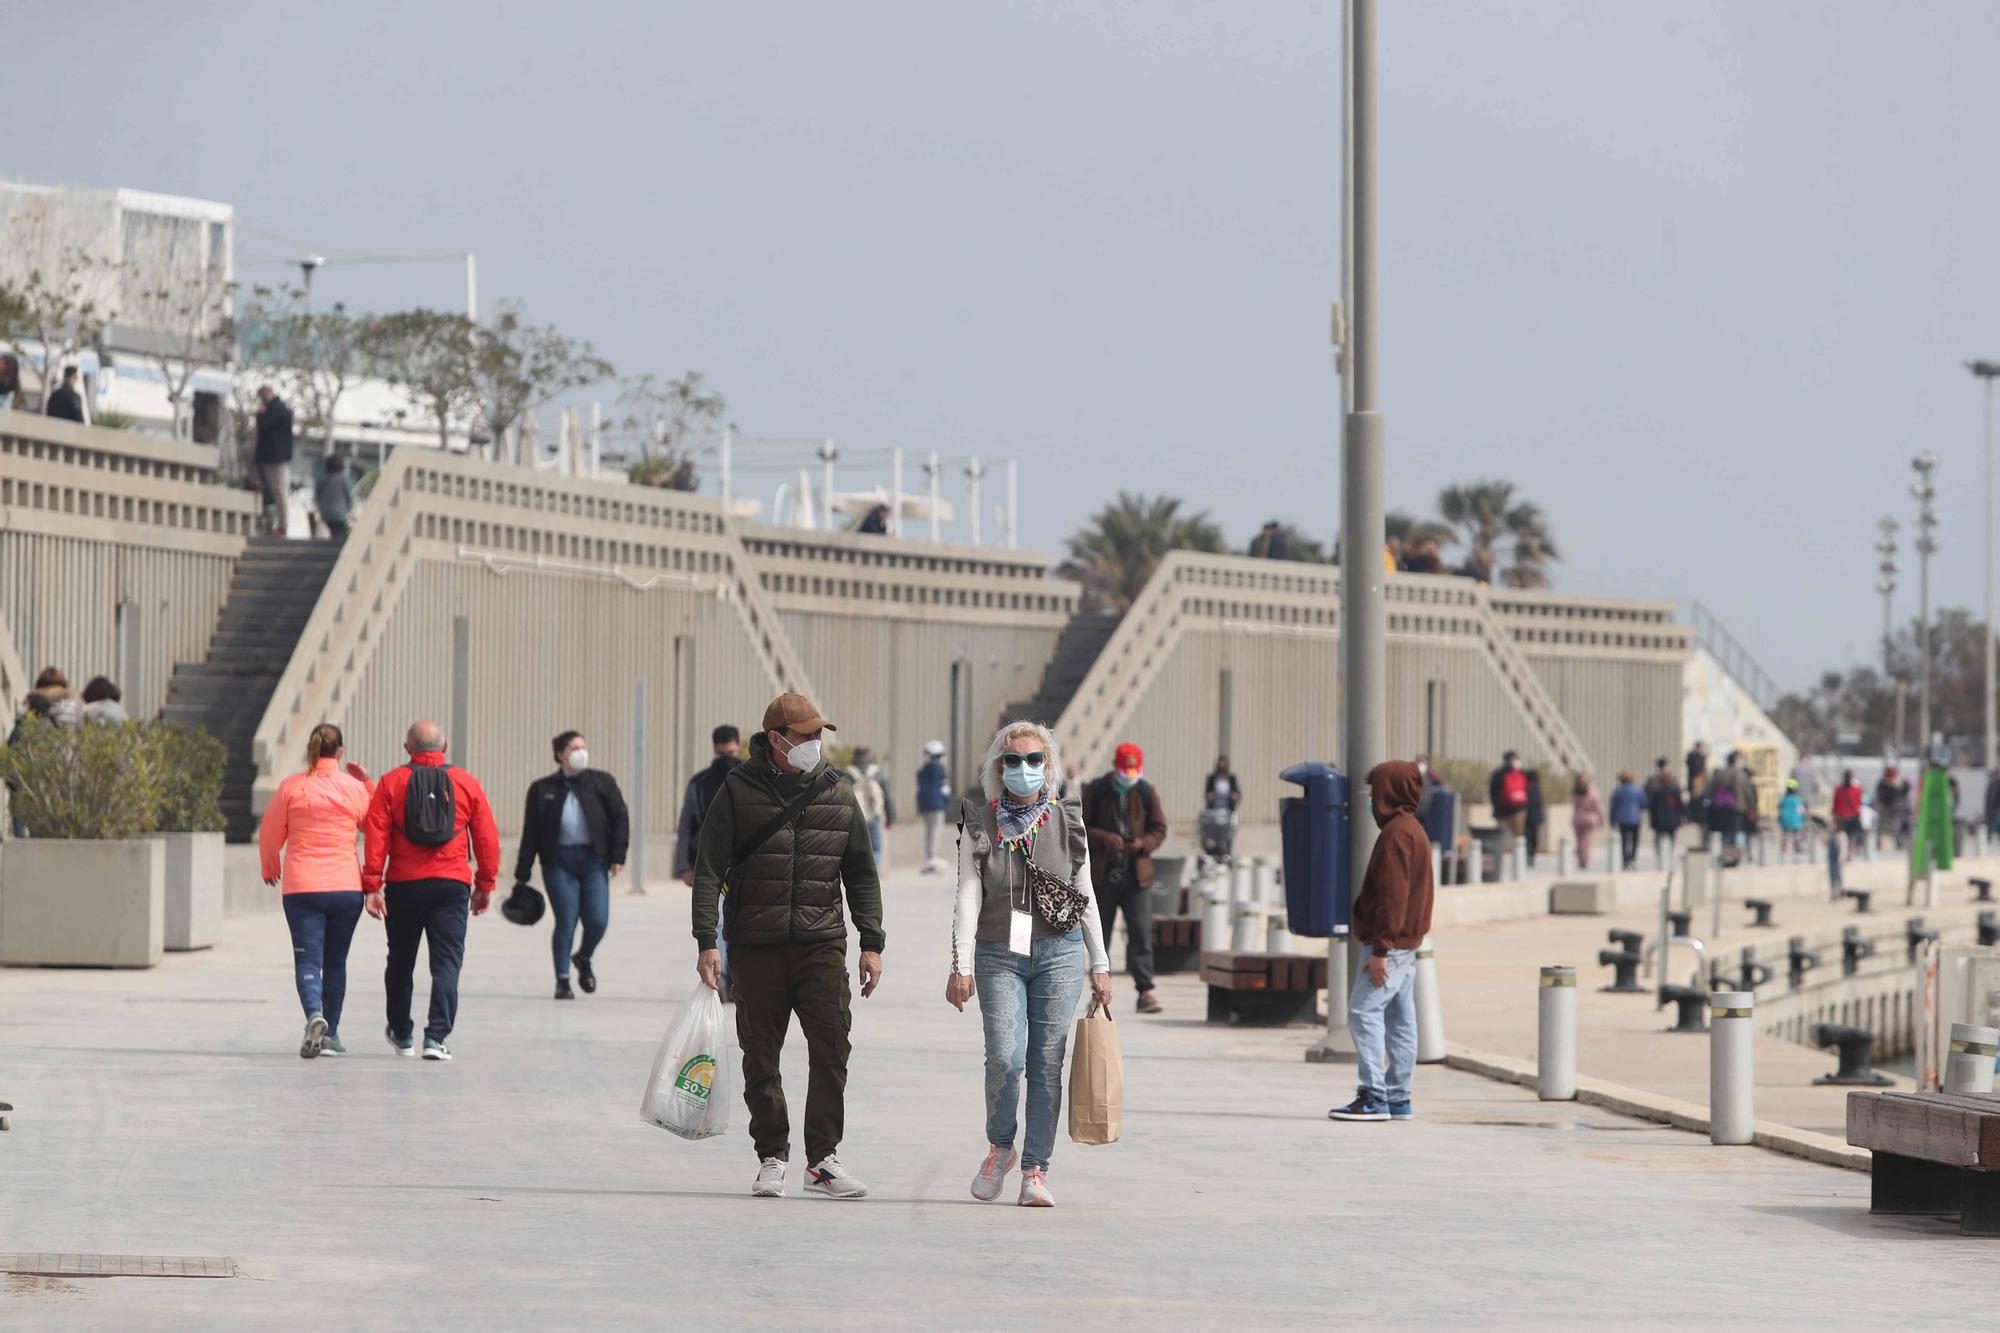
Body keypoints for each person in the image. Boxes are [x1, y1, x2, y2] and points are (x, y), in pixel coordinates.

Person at [691, 692, 885, 1201]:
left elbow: (861, 873)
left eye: (820, 735)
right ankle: (772, 1154)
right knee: (761, 1055)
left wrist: (872, 942)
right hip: (755, 946)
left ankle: (822, 1160)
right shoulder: (736, 791)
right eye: (805, 736)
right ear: (776, 740)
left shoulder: (838, 793)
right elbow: (709, 868)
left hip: (821, 944)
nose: (816, 743)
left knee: (832, 1048)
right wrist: (706, 941)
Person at [947, 720, 1112, 1207]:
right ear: (999, 768)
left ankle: (1036, 1170)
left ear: (1049, 765)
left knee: (1046, 1063)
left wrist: (1098, 964)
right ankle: (1001, 1148)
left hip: (1059, 954)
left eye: (1034, 760)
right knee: (1004, 1056)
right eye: (1013, 760)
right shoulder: (980, 821)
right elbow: (967, 891)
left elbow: (1085, 893)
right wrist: (961, 964)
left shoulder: (1069, 820)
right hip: (999, 952)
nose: (1024, 769)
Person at [361, 720, 502, 1061]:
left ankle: (402, 1033)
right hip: (451, 885)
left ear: (407, 748)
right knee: (447, 962)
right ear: (445, 746)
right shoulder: (465, 783)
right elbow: (486, 837)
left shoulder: (391, 782)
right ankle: (436, 1037)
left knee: (400, 961)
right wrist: (484, 884)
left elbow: (376, 835)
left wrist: (372, 886)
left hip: (404, 885)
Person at [259, 723, 374, 1058]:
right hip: (346, 886)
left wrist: (270, 865)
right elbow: (376, 823)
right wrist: (366, 781)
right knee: (336, 961)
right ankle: (331, 1035)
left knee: (308, 959)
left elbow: (270, 831)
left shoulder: (292, 787)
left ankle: (314, 1014)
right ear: (340, 753)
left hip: (302, 887)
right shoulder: (353, 789)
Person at [1329, 761, 1436, 1123]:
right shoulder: (1414, 830)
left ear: (1388, 791)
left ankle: (1373, 1095)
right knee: (1401, 1015)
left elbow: (1393, 896)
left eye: (1375, 790)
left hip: (1391, 943)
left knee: (1363, 1011)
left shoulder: (1394, 836)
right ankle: (1398, 1095)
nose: (1371, 798)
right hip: (1408, 941)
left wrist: (1381, 949)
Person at [513, 730, 629, 1000]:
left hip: (594, 861)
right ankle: (562, 980)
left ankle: (583, 957)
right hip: (559, 862)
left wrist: (618, 856)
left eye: (583, 747)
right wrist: (523, 872)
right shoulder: (543, 789)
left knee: (598, 920)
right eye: (574, 747)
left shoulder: (601, 782)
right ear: (560, 754)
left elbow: (620, 818)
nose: (581, 752)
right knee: (566, 919)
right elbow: (531, 831)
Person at [1083, 742, 1168, 1014]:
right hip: (1103, 875)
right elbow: (1079, 826)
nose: (1129, 775)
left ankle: (1145, 990)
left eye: (1133, 770)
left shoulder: (1146, 792)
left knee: (1140, 933)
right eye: (1125, 769)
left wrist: (1142, 843)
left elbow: (1160, 828)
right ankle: (1098, 992)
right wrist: (1104, 838)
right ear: (1115, 766)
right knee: (1100, 934)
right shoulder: (1097, 790)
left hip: (1137, 876)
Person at [676, 724, 743, 887]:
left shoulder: (752, 778)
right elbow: (686, 824)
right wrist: (684, 865)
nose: (727, 760)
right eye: (722, 754)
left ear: (739, 748)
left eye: (731, 753)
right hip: (710, 860)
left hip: (745, 859)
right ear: (714, 749)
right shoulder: (699, 784)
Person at [253, 385, 295, 536]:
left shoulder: (275, 409)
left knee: (278, 491)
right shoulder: (280, 408)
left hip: (274, 457)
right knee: (276, 491)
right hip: (273, 456)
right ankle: (278, 524)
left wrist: (260, 414)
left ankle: (282, 525)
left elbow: (264, 425)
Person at [846, 746, 891, 865]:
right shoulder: (877, 773)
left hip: (854, 817)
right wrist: (890, 819)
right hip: (874, 815)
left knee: (856, 848)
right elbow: (887, 797)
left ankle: (859, 873)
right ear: (869, 756)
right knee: (875, 847)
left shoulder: (848, 773)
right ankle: (874, 873)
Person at [915, 740, 953, 873]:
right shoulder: (940, 769)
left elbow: (918, 790)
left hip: (925, 805)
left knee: (929, 832)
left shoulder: (923, 770)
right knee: (936, 831)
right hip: (937, 805)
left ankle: (930, 857)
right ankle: (933, 858)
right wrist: (947, 801)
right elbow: (945, 789)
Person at [1488, 751, 1528, 858]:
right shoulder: (1521, 773)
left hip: (1502, 811)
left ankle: (1499, 858)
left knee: (1501, 837)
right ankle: (1520, 859)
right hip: (1518, 810)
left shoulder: (1497, 774)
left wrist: (1496, 807)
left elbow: (1492, 792)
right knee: (1519, 838)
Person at [1645, 760, 1684, 870]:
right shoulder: (1674, 787)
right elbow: (1680, 804)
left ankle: (1661, 858)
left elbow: (1652, 805)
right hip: (1672, 818)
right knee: (1671, 838)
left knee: (1658, 838)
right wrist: (1682, 817)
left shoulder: (1654, 785)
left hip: (1659, 819)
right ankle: (1668, 857)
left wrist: (1652, 820)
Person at [1608, 770, 1645, 870]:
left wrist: (1612, 820)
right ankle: (1632, 859)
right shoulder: (1638, 790)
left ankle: (1625, 860)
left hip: (1622, 819)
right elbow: (1644, 803)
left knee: (1624, 840)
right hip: (1635, 819)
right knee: (1634, 840)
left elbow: (1613, 807)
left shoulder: (1618, 791)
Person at [315, 451, 355, 540]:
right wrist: (349, 509)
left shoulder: (322, 478)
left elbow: (317, 495)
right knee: (339, 536)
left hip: (326, 513)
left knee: (331, 533)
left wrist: (320, 508)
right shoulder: (343, 479)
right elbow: (348, 496)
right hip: (339, 514)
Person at [1570, 773, 1605, 868]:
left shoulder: (1575, 793)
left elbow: (1574, 806)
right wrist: (1602, 819)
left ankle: (1580, 854)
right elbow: (1599, 808)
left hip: (1578, 818)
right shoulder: (1593, 793)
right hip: (1590, 819)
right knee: (1587, 840)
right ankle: (1584, 858)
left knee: (1580, 839)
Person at [1832, 769, 1865, 861]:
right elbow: (1858, 803)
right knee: (1851, 836)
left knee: (1844, 837)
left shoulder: (1839, 789)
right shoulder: (1856, 790)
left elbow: (1835, 804)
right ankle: (1849, 853)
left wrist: (1835, 815)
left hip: (1842, 816)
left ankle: (1845, 854)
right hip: (1852, 815)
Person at [1523, 769, 1546, 868]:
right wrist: (1542, 817)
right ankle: (1531, 855)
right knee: (1534, 837)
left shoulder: (1525, 788)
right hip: (1534, 817)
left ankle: (1528, 854)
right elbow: (1540, 804)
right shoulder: (1536, 789)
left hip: (1526, 816)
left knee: (1526, 837)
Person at [1778, 778, 1807, 858]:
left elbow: (1779, 809)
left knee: (1785, 836)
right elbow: (1802, 811)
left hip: (1785, 822)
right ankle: (1798, 853)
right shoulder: (1798, 800)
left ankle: (1783, 853)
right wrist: (1803, 819)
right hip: (1796, 822)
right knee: (1797, 837)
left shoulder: (1783, 800)